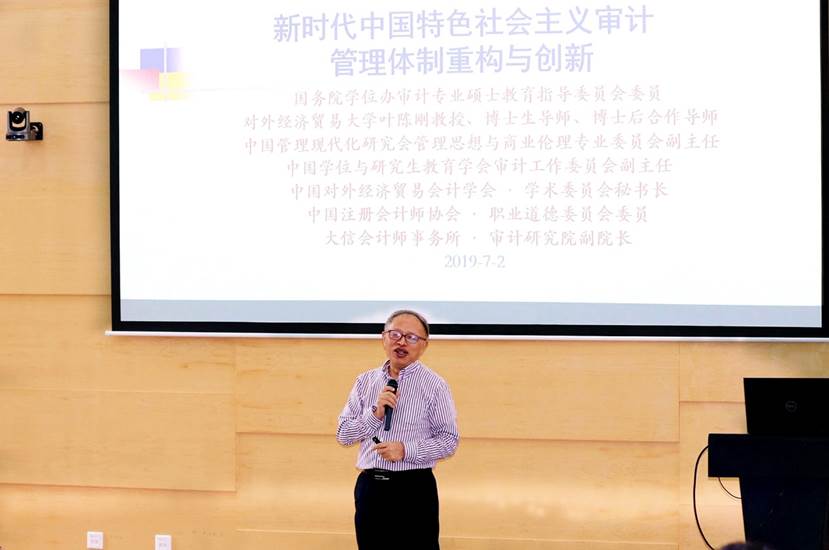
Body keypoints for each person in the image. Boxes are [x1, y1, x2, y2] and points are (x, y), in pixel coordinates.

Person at [336, 309, 459, 550]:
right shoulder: (365, 382)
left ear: (424, 345)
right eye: (395, 334)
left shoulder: (434, 385)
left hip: (414, 489)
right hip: (371, 488)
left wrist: (405, 450)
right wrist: (375, 414)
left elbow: (449, 441)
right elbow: (343, 435)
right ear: (383, 337)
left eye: (411, 337)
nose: (401, 342)